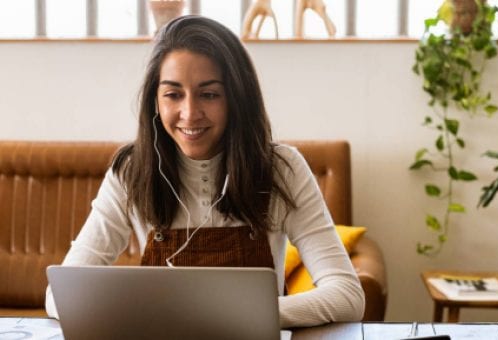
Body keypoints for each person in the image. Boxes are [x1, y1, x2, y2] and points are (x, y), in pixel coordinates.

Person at [45, 15, 365, 328]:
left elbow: (347, 296)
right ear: (155, 101)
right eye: (173, 94)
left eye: (209, 94)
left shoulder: (282, 168)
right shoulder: (131, 170)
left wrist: (244, 317)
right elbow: (58, 296)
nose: (190, 113)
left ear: (237, 98)